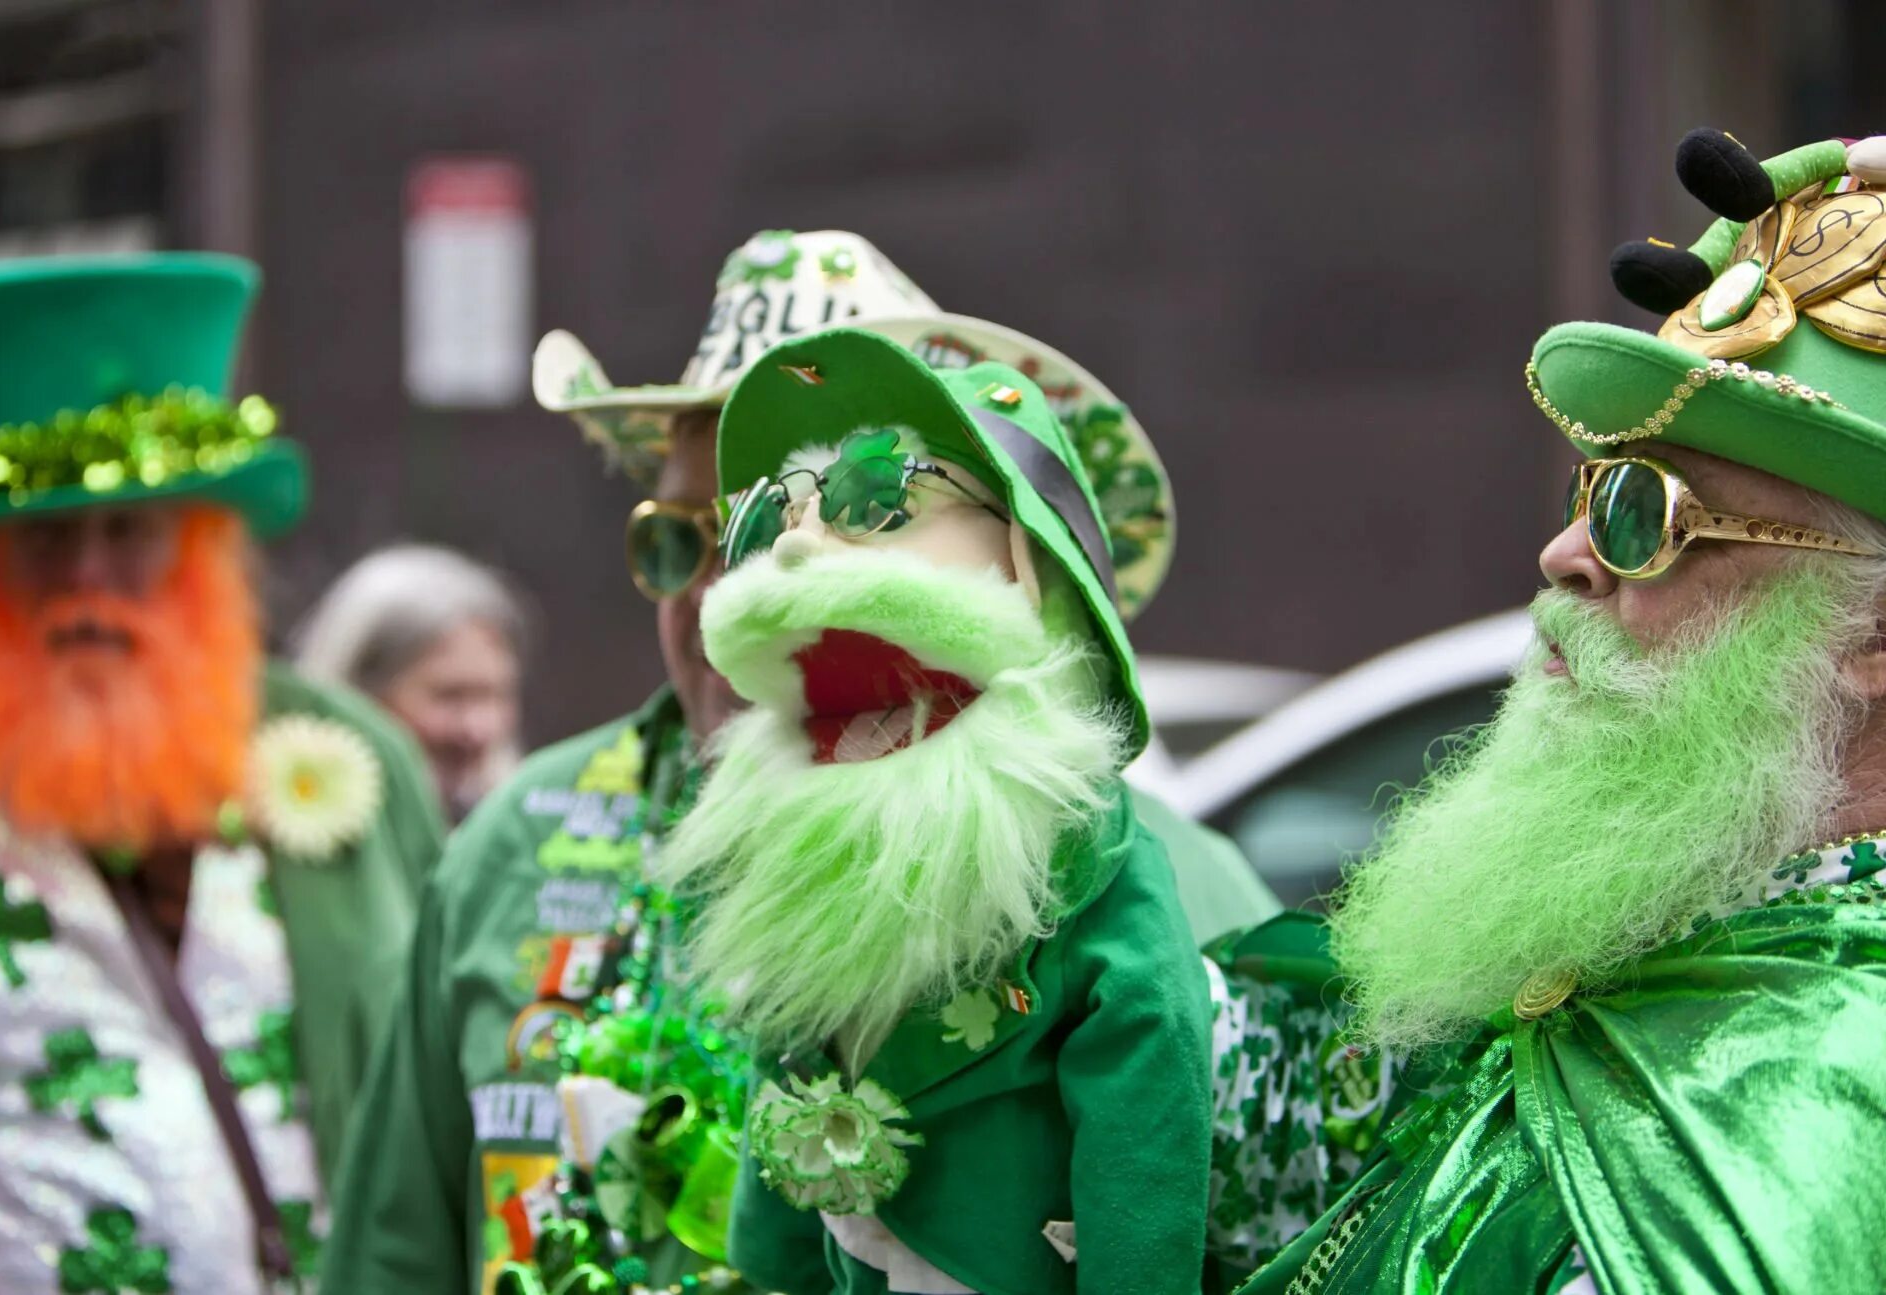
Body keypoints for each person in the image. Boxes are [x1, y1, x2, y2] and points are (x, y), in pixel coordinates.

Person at [322, 230, 1276, 1294]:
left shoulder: (1156, 877)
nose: (728, 588)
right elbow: (391, 1251)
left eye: (870, 513)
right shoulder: (515, 840)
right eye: (682, 540)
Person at [1210, 130, 1886, 1293]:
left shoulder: (1815, 1083)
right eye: (1588, 489)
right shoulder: (1654, 941)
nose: (1565, 553)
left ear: (1871, 639)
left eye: (1646, 510)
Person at [0, 254, 445, 1294]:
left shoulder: (359, 759)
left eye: (129, 530)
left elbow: (443, 1093)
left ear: (207, 546)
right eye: (45, 534)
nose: (86, 576)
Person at [662, 329, 1212, 1293]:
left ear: (1026, 555)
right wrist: (773, 1260)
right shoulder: (797, 822)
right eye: (764, 517)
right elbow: (785, 1050)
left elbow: (1147, 1110)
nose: (795, 542)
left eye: (874, 493)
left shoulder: (1090, 856)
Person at [295, 544, 529, 822]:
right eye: (450, 696)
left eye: (493, 695)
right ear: (358, 692)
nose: (477, 729)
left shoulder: (518, 835)